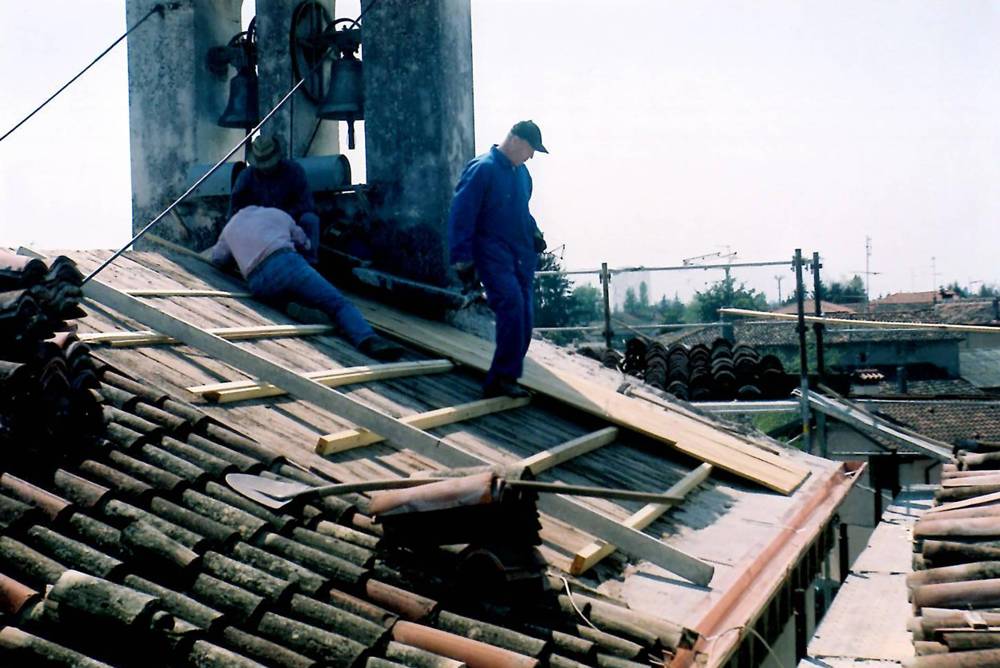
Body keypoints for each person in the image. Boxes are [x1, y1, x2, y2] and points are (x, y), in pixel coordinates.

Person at [209, 205, 404, 361]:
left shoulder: (230, 226)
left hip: (257, 282)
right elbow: (305, 243)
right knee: (338, 304)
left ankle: (288, 305)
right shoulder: (277, 213)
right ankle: (368, 339)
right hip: (286, 262)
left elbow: (217, 259)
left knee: (278, 293)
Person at [447, 120, 549, 398]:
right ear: (515, 140)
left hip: (521, 257)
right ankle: (500, 380)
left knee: (525, 318)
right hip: (493, 255)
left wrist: (535, 232)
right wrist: (462, 260)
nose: (531, 157)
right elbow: (461, 215)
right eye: (530, 150)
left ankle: (507, 374)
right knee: (512, 308)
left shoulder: (523, 175)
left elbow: (522, 212)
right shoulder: (483, 169)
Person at [229, 135, 321, 264]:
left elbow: (307, 204)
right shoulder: (246, 177)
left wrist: (282, 216)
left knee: (310, 220)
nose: (266, 168)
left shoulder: (294, 171)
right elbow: (234, 210)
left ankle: (310, 263)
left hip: (292, 221)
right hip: (258, 226)